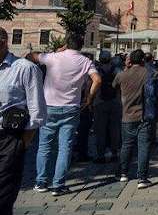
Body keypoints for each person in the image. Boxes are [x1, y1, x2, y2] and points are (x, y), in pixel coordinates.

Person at [33, 34, 102, 196]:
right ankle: (58, 184)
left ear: (66, 44)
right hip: (71, 107)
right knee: (65, 147)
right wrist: (89, 98)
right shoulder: (85, 61)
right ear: (81, 45)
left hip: (49, 106)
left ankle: (41, 182)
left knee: (44, 146)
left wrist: (57, 51)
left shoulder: (53, 57)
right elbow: (97, 80)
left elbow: (32, 56)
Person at [0, 27, 46, 213]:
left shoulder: (25, 69)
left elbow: (38, 112)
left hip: (8, 139)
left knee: (2, 198)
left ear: (3, 43)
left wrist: (21, 144)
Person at [113, 49, 155, 189]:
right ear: (143, 60)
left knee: (126, 145)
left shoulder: (122, 75)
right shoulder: (147, 73)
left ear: (130, 60)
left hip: (127, 115)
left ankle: (123, 172)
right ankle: (142, 178)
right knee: (143, 147)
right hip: (143, 116)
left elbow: (114, 86)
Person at [93, 51, 122, 164]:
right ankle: (114, 153)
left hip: (99, 102)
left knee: (100, 130)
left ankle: (100, 155)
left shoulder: (96, 70)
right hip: (115, 102)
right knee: (114, 129)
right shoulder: (116, 70)